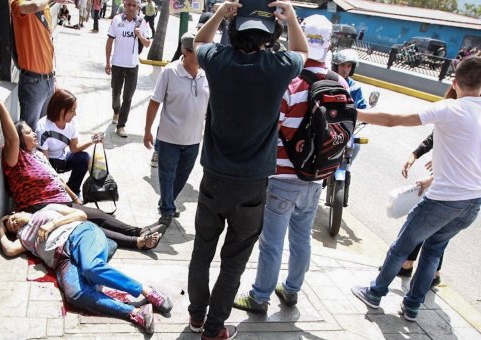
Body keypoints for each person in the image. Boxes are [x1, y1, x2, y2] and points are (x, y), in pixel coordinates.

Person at [351, 56, 481, 322]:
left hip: (443, 200)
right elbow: (477, 149)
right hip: (473, 202)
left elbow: (393, 120)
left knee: (401, 247)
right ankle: (412, 307)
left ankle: (375, 293)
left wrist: (352, 113)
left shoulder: (450, 108)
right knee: (434, 250)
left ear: (454, 82)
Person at [187, 1, 308, 339]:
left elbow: (197, 43)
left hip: (213, 178)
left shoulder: (218, 61)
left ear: (233, 29)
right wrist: (293, 17)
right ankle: (214, 329)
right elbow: (303, 50)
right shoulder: (278, 66)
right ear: (270, 36)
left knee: (202, 251)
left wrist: (219, 13)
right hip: (253, 184)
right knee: (234, 260)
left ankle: (196, 317)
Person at [231, 15, 349, 314]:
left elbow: (273, 124)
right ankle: (292, 289)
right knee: (301, 239)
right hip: (316, 176)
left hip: (283, 175)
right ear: (329, 43)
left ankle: (260, 297)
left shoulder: (290, 81)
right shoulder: (339, 82)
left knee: (272, 243)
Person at [0, 87, 164, 250]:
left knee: (97, 215)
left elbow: (56, 178)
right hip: (39, 207)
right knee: (88, 223)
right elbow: (12, 138)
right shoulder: (16, 158)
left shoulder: (35, 155)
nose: (34, 135)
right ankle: (138, 240)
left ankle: (141, 232)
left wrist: (75, 197)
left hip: (58, 201)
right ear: (20, 141)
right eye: (28, 133)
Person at [397, 45, 481, 286]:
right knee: (434, 235)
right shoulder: (464, 89)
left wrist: (437, 176)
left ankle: (413, 271)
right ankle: (417, 272)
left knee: (430, 232)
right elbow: (440, 127)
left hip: (458, 186)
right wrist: (417, 152)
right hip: (454, 183)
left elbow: (479, 153)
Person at [0, 204, 173, 335]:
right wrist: (1, 228)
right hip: (62, 261)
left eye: (13, 218)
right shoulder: (23, 238)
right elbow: (9, 249)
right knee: (74, 294)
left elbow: (80, 214)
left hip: (79, 233)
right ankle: (134, 313)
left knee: (91, 268)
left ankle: (146, 291)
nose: (13, 223)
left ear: (21, 211)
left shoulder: (46, 210)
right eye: (11, 225)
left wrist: (52, 224)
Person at [143, 33, 210, 227]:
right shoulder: (170, 72)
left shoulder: (207, 73)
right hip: (169, 137)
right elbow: (155, 102)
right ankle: (167, 210)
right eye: (199, 52)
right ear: (186, 52)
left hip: (194, 138)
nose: (204, 55)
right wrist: (147, 130)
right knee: (167, 174)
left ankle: (167, 201)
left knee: (183, 175)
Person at [10, 0, 63, 131]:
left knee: (43, 131)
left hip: (48, 80)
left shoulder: (45, 8)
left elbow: (48, 46)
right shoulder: (19, 3)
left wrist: (53, 77)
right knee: (30, 133)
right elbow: (33, 6)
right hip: (33, 81)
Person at [36, 89, 97, 198]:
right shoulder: (43, 126)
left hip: (62, 159)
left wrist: (92, 141)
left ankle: (74, 188)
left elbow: (74, 148)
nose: (75, 114)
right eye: (72, 110)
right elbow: (45, 164)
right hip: (48, 162)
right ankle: (63, 193)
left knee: (84, 158)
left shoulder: (72, 123)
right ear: (60, 110)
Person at [105, 0, 152, 138]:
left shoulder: (142, 22)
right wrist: (107, 62)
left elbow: (148, 43)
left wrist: (140, 35)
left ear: (137, 7)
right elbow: (109, 42)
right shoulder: (116, 20)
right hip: (117, 65)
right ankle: (116, 111)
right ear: (124, 5)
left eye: (134, 5)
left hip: (132, 66)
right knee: (116, 93)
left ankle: (121, 125)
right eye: (129, 5)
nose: (131, 8)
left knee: (128, 97)